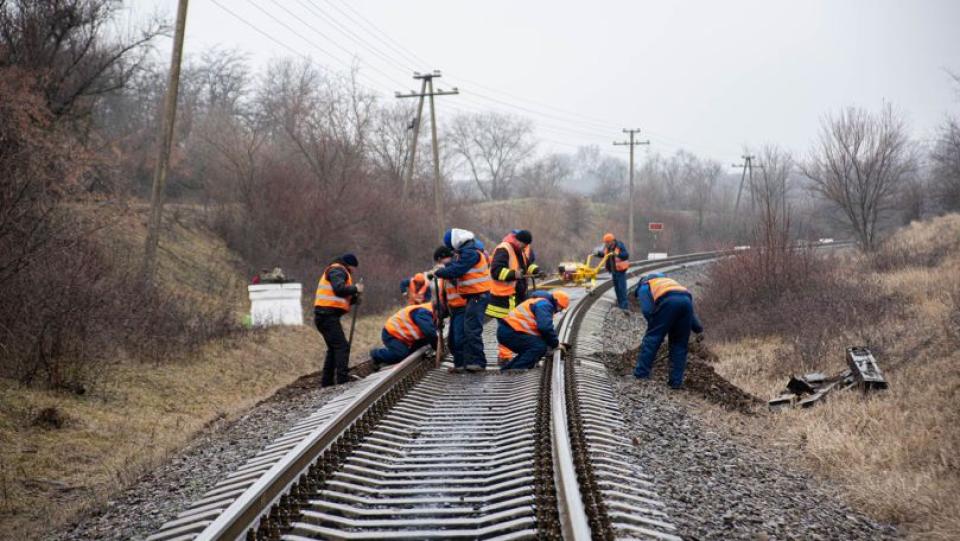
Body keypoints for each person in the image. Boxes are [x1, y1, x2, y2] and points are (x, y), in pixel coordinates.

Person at [433, 228, 492, 372]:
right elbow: (456, 267)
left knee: (471, 330)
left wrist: (439, 272)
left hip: (478, 296)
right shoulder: (467, 251)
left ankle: (478, 362)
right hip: (474, 296)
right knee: (468, 331)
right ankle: (471, 362)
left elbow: (458, 270)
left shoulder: (470, 253)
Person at [633, 272, 704, 389]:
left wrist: (655, 327)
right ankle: (675, 382)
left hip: (668, 302)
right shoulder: (671, 283)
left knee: (652, 339)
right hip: (686, 301)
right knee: (679, 345)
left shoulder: (645, 286)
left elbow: (647, 310)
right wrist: (698, 329)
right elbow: (691, 312)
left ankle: (641, 374)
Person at [314, 253, 363, 387]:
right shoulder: (337, 270)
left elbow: (339, 296)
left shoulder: (339, 271)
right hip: (326, 315)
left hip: (325, 315)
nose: (354, 271)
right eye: (354, 268)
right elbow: (339, 289)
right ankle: (342, 380)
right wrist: (355, 288)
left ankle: (327, 382)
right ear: (349, 265)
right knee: (341, 346)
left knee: (333, 348)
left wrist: (354, 299)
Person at [496, 290, 570, 370]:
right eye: (560, 308)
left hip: (508, 331)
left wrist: (553, 343)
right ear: (556, 302)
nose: (559, 311)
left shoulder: (541, 302)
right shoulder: (545, 305)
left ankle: (507, 371)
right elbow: (545, 328)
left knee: (529, 350)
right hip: (510, 332)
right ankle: (516, 371)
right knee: (539, 347)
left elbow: (541, 331)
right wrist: (555, 344)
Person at [486, 229, 541, 319]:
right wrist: (514, 274)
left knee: (512, 327)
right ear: (518, 241)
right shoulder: (504, 249)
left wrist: (536, 271)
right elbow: (496, 271)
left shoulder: (519, 251)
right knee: (507, 328)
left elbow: (527, 266)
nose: (525, 248)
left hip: (515, 297)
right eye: (524, 245)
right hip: (503, 299)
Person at [370, 302, 437, 370]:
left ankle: (407, 354)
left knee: (423, 343)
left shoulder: (430, 311)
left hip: (403, 336)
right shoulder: (423, 313)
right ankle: (376, 354)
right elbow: (429, 332)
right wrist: (436, 347)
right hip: (392, 334)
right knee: (401, 354)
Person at [431, 245, 463, 366]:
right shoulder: (445, 273)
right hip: (454, 309)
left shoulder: (454, 268)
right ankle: (460, 364)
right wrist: (441, 311)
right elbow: (444, 294)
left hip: (462, 307)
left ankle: (461, 364)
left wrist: (442, 272)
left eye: (439, 262)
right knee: (452, 343)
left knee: (458, 340)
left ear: (442, 258)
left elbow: (456, 281)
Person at [597, 233, 630, 311]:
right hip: (614, 271)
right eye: (606, 243)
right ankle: (620, 305)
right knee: (617, 288)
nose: (606, 244)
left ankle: (624, 306)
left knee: (622, 288)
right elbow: (605, 255)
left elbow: (626, 255)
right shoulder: (608, 248)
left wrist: (617, 254)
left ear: (612, 241)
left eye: (608, 242)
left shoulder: (619, 246)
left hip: (620, 270)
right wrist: (598, 253)